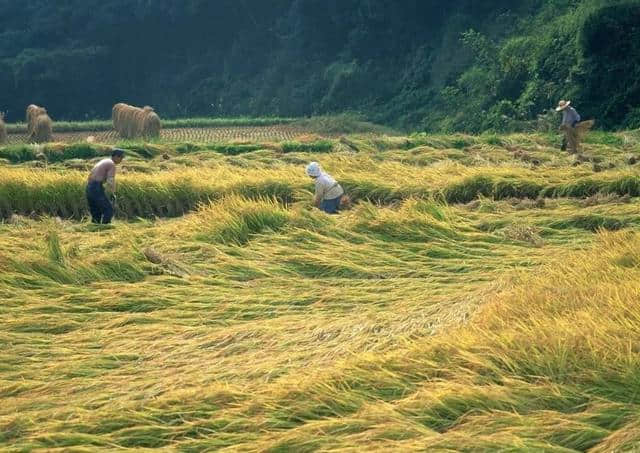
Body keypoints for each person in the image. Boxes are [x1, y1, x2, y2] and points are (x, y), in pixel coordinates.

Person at [86, 148, 124, 224]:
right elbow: (110, 180)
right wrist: (113, 193)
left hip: (89, 187)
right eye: (121, 157)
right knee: (108, 210)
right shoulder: (112, 164)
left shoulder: (104, 161)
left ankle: (95, 230)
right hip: (96, 187)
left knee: (96, 212)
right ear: (116, 156)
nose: (121, 160)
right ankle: (105, 228)